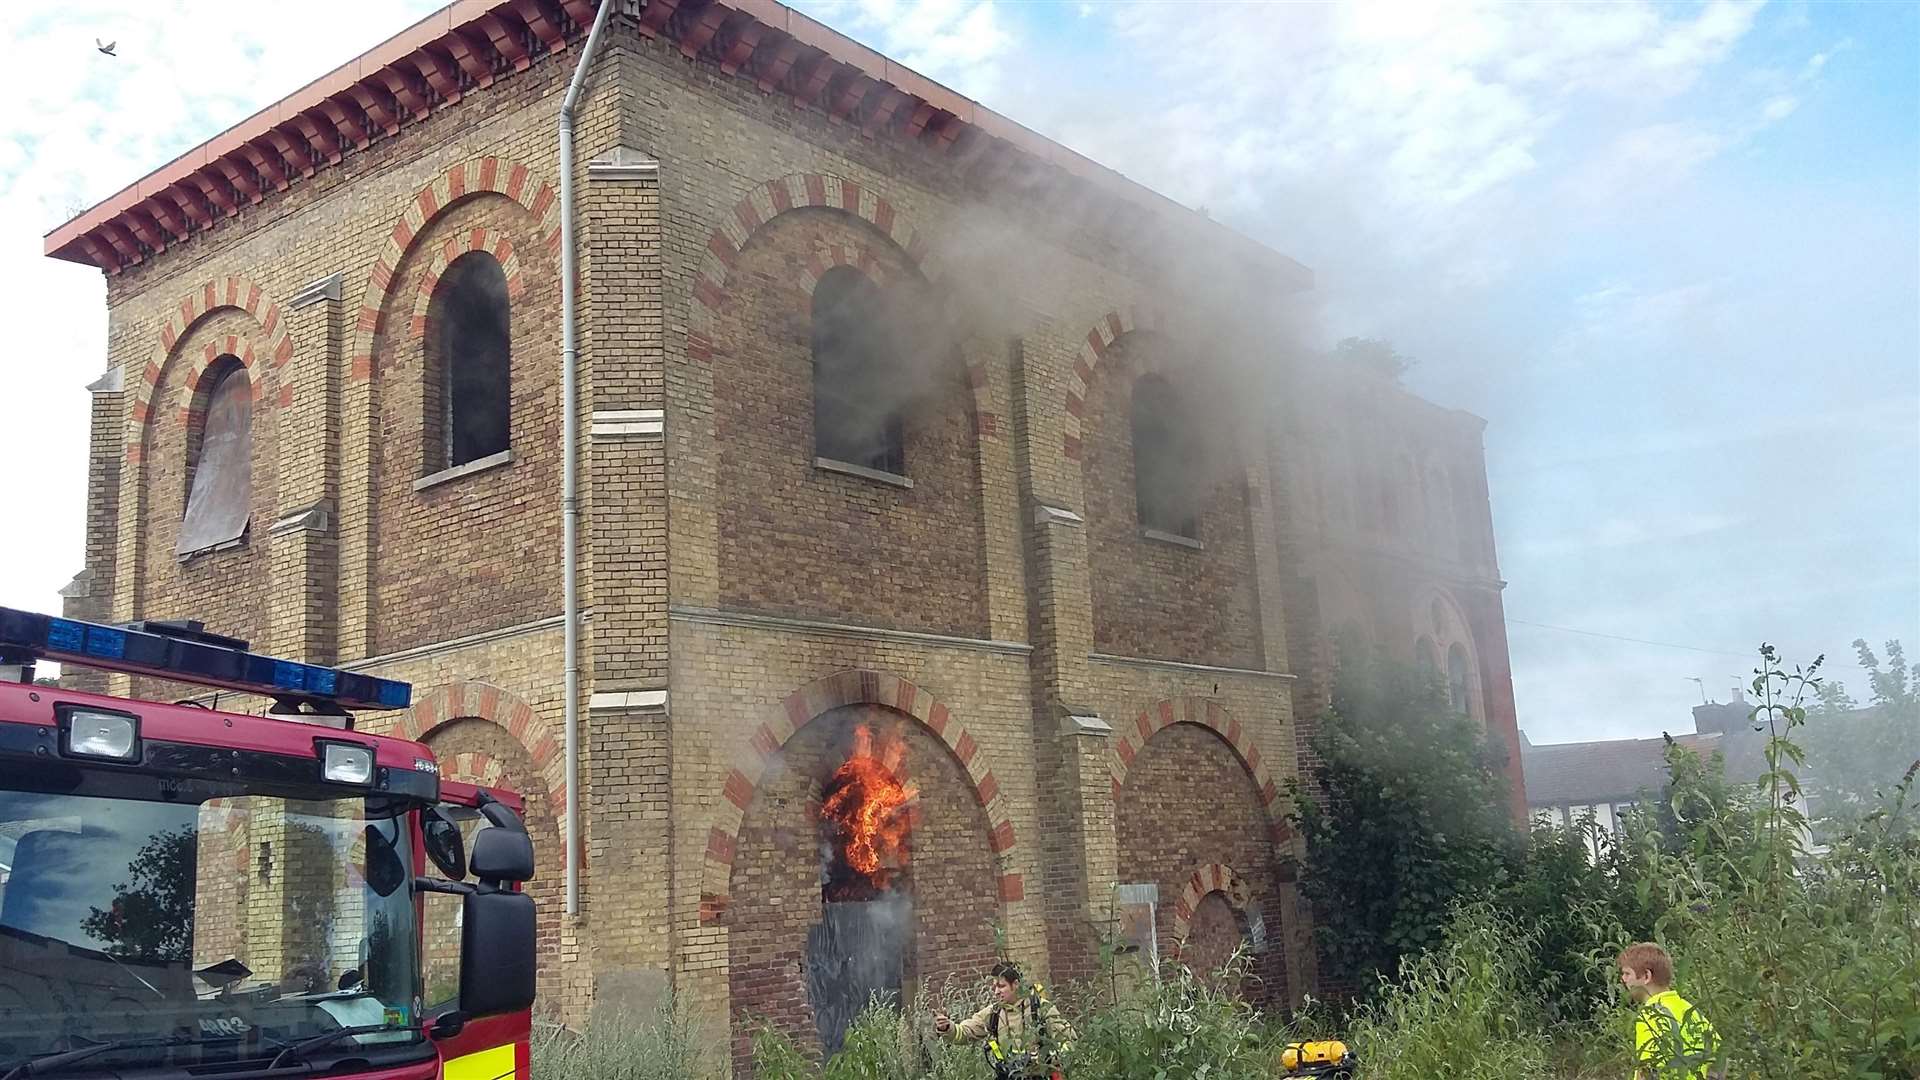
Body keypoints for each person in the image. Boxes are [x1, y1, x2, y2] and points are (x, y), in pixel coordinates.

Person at [934, 961, 1075, 1080]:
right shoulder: (994, 1012)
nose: (996, 991)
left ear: (1016, 984)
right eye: (994, 987)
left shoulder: (1040, 1009)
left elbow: (1069, 1043)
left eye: (1001, 986)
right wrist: (947, 1027)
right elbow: (965, 1032)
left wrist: (1044, 1059)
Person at [1618, 942, 1720, 1080]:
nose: (1623, 979)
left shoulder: (1651, 1014)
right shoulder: (1689, 1009)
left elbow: (1649, 1071)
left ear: (1646, 976)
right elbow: (1720, 1057)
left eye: (1627, 973)